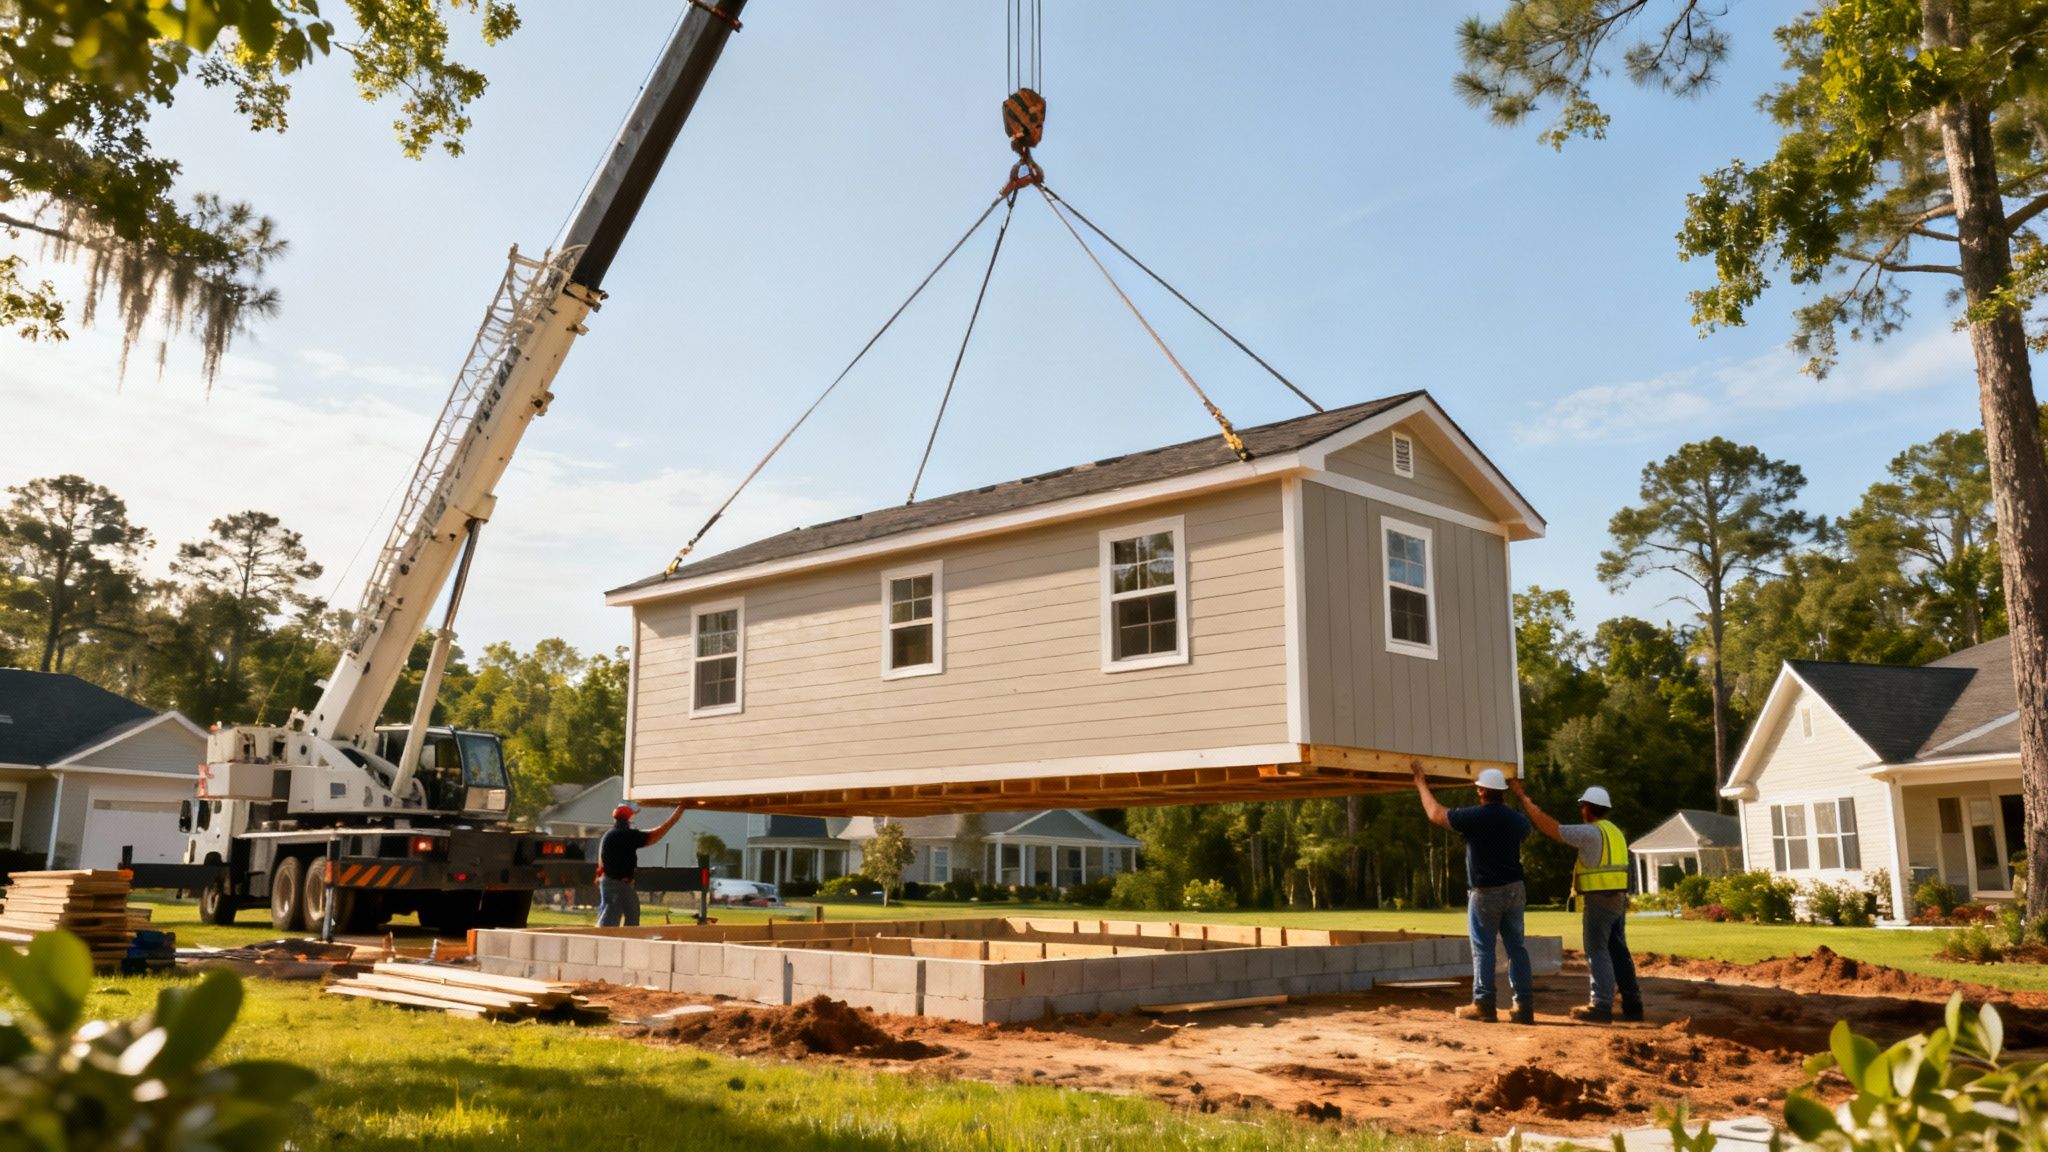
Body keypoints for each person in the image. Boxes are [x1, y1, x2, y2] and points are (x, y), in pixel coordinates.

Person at [1411, 761, 1534, 1023]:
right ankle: (1523, 1006)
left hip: (1486, 892)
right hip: (1515, 889)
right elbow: (1526, 826)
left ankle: (1484, 1004)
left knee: (1484, 950)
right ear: (1501, 791)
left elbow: (1435, 813)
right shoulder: (1517, 821)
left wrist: (1421, 784)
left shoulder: (1474, 818)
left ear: (1480, 791)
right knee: (1517, 948)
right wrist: (1521, 796)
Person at [1512, 779, 1643, 1023]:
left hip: (1600, 900)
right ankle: (1633, 1003)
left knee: (1597, 950)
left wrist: (1523, 797)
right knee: (1618, 950)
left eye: (1582, 806)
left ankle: (1601, 1005)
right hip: (1618, 899)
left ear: (1587, 807)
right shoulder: (1614, 831)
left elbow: (1550, 827)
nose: (1581, 810)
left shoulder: (1590, 832)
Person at [596, 801, 684, 928]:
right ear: (629, 819)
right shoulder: (625, 835)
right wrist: (677, 815)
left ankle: (623, 938)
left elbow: (601, 862)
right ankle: (608, 940)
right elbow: (654, 835)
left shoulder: (609, 835)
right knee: (613, 917)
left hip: (610, 882)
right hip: (617, 883)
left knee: (622, 912)